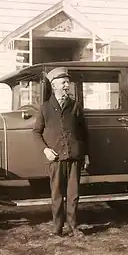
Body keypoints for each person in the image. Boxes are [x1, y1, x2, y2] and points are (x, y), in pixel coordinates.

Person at [32, 67, 90, 237]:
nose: (67, 85)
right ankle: (57, 228)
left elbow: (84, 133)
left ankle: (73, 226)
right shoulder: (45, 108)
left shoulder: (75, 106)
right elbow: (36, 132)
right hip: (56, 159)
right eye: (63, 82)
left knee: (73, 194)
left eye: (68, 82)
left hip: (75, 157)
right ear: (54, 85)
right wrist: (45, 150)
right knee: (57, 195)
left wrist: (86, 154)